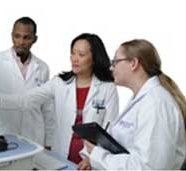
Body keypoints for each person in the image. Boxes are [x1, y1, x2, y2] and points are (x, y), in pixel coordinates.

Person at [0, 33, 119, 164]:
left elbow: (109, 130)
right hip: (62, 153)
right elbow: (28, 99)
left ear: (94, 58)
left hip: (91, 159)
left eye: (81, 54)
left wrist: (92, 158)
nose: (74, 59)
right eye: (72, 53)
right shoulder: (60, 82)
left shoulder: (107, 88)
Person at [78, 39, 186, 170]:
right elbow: (127, 150)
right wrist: (93, 159)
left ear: (133, 63)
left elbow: (147, 167)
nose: (111, 67)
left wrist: (97, 155)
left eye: (115, 62)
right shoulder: (142, 100)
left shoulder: (156, 104)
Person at [0, 17, 55, 149]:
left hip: (34, 137)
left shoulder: (42, 67)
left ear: (34, 39)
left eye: (26, 38)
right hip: (3, 133)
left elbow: (47, 108)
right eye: (17, 36)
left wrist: (49, 141)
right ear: (11, 36)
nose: (21, 42)